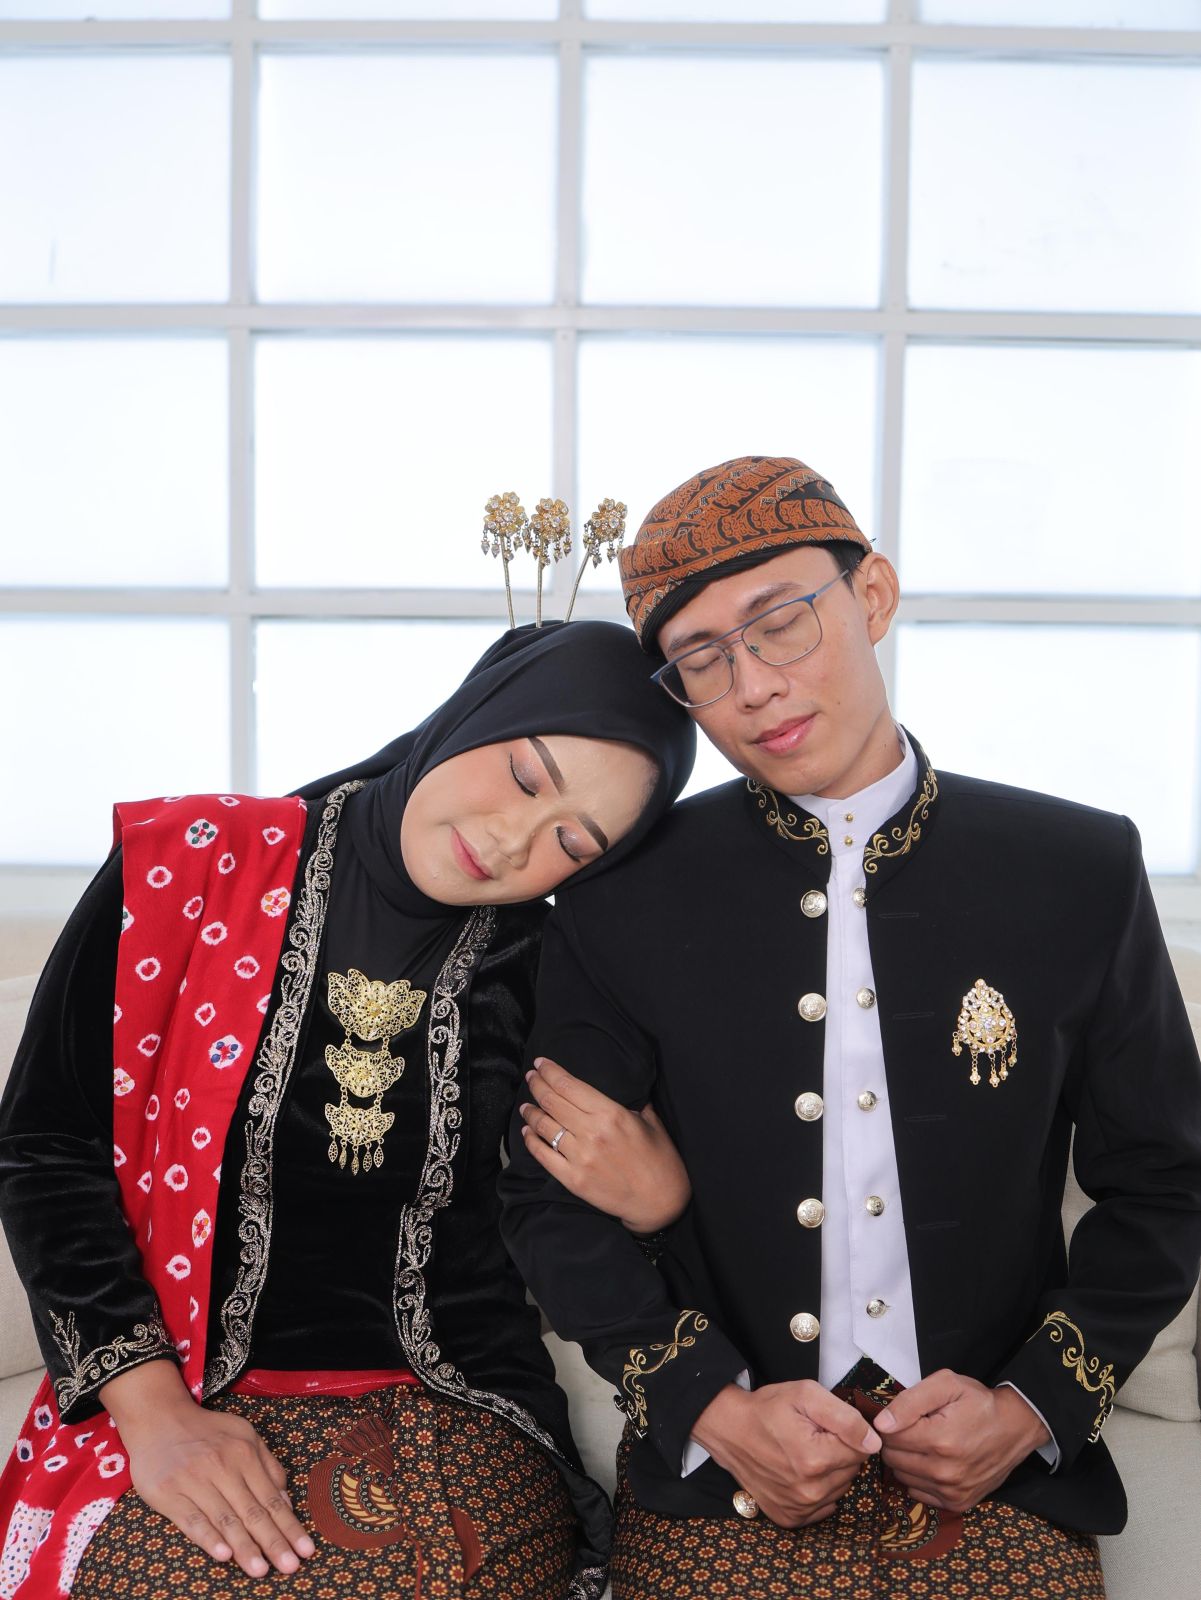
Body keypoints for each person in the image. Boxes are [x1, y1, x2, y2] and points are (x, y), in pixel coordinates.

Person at [500, 455, 1201, 1599]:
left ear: (871, 594)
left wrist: (1030, 1407)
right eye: (701, 659)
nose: (753, 687)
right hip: (728, 1459)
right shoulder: (621, 895)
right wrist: (711, 1408)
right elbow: (546, 1201)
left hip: (992, 1463)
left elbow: (1164, 1179)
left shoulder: (1078, 868)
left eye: (779, 623)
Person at [0, 618, 696, 1600]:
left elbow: (565, 1213)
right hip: (182, 1385)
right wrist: (154, 1415)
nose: (512, 839)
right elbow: (46, 1147)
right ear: (472, 715)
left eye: (570, 841)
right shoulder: (190, 864)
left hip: (454, 1399)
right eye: (523, 775)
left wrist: (660, 1206)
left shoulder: (546, 967)